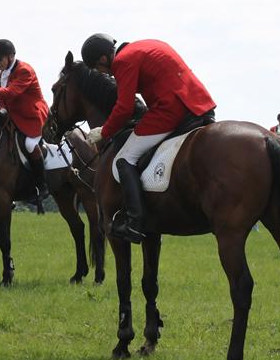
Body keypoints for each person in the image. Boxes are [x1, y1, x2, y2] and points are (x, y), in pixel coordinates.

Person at [82, 34, 216, 242]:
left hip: (172, 111)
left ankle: (135, 222)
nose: (103, 74)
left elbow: (125, 108)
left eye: (97, 69)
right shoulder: (145, 45)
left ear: (102, 59)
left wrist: (104, 131)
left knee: (124, 159)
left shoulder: (122, 62)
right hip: (198, 103)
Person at [0, 38, 52, 213]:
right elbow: (4, 99)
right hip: (14, 116)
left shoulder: (25, 70)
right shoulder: (3, 73)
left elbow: (13, 92)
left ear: (10, 56)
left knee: (30, 145)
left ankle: (41, 185)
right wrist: (1, 110)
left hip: (32, 115)